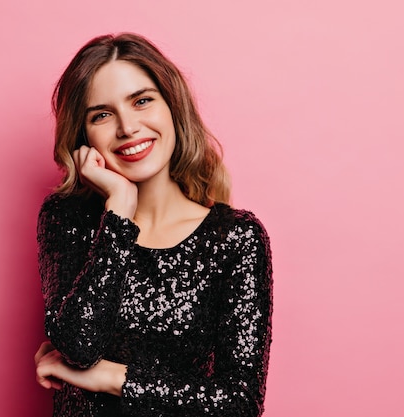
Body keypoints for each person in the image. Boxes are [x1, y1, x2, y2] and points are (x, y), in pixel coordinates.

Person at [34, 33, 273, 417]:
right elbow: (79, 345)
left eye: (142, 101)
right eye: (102, 114)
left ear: (172, 107)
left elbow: (240, 404)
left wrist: (111, 377)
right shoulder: (67, 219)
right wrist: (120, 210)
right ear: (84, 137)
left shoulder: (235, 239)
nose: (127, 127)